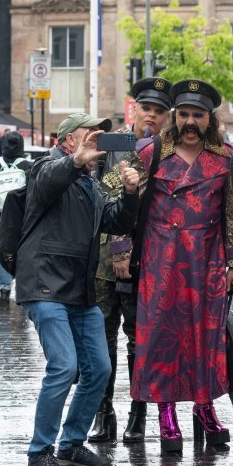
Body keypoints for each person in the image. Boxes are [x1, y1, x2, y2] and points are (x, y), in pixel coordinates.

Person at [17, 113, 139, 466]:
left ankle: (71, 444)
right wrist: (74, 162)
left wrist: (131, 195)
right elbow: (47, 183)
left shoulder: (92, 182)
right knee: (64, 368)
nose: (97, 144)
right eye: (90, 137)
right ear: (68, 140)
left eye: (101, 138)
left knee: (99, 369)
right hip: (46, 285)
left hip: (80, 290)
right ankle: (40, 452)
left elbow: (115, 222)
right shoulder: (47, 167)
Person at [131, 79, 233, 453]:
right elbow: (120, 203)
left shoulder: (225, 157)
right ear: (173, 117)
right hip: (161, 255)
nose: (190, 122)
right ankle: (166, 414)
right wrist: (120, 251)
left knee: (205, 337)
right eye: (183, 115)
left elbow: (231, 213)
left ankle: (205, 406)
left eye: (198, 115)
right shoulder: (150, 153)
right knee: (162, 334)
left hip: (206, 257)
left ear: (209, 119)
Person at [88, 77, 172, 444]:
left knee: (141, 342)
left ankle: (138, 414)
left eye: (158, 111)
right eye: (146, 109)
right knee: (102, 341)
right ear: (133, 108)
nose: (151, 116)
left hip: (148, 262)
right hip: (107, 262)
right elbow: (104, 195)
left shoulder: (168, 148)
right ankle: (103, 413)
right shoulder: (116, 144)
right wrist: (121, 248)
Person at [0, 131, 33, 301]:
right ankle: (23, 290)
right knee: (23, 250)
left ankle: (4, 289)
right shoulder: (27, 165)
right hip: (22, 215)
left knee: (3, 250)